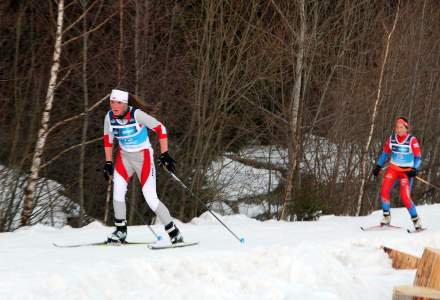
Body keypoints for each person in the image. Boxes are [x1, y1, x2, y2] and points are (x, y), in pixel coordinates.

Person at [102, 88, 183, 244]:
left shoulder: (136, 114)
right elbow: (108, 139)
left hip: (143, 158)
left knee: (151, 198)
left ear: (125, 103)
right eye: (112, 102)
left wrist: (165, 154)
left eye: (118, 102)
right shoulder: (109, 117)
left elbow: (161, 128)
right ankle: (120, 232)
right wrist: (108, 162)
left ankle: (174, 232)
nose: (114, 105)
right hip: (124, 158)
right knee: (117, 192)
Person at [372, 116, 423, 231]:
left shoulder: (412, 140)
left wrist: (414, 169)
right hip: (393, 169)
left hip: (406, 172)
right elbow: (385, 154)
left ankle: (416, 221)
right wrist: (378, 166)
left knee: (405, 197)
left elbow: (418, 157)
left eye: (401, 127)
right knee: (384, 191)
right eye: (397, 127)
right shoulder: (392, 139)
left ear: (406, 128)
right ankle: (386, 217)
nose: (399, 130)